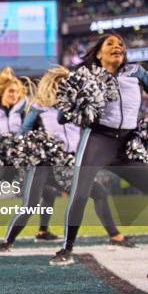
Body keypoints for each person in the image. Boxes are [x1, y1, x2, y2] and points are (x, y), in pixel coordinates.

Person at [0, 66, 133, 252]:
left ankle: (115, 236)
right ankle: (7, 241)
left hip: (67, 164)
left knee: (99, 192)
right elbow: (24, 134)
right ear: (51, 84)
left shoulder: (77, 106)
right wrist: (38, 147)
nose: (64, 86)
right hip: (44, 165)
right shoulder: (39, 108)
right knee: (30, 205)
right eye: (59, 83)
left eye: (66, 82)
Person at [51, 33, 146, 265]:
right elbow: (62, 116)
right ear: (99, 52)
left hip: (126, 146)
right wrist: (83, 98)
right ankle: (66, 249)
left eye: (121, 44)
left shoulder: (136, 72)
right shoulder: (86, 76)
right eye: (110, 44)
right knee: (80, 193)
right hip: (98, 141)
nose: (118, 47)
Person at [0, 67, 58, 246]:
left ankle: (43, 230)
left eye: (17, 92)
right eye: (11, 91)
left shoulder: (25, 108)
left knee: (48, 192)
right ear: (2, 92)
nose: (14, 95)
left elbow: (32, 128)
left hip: (20, 162)